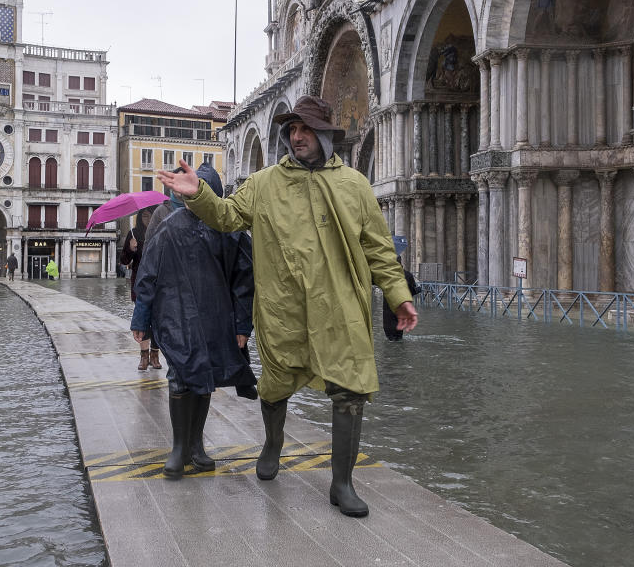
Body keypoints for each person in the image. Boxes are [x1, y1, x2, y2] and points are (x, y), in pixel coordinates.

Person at [158, 95, 418, 517]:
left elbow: (379, 251)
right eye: (291, 129)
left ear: (325, 135)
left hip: (341, 308)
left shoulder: (354, 185)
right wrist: (199, 195)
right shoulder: (264, 184)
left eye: (305, 129)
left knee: (350, 389)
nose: (296, 136)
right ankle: (273, 444)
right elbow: (225, 217)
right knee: (276, 386)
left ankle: (342, 484)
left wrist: (399, 297)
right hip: (283, 309)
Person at [131, 163, 257, 478]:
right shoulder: (168, 227)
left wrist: (243, 326)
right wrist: (141, 319)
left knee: (205, 377)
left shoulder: (232, 231)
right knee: (180, 376)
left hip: (215, 316)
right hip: (175, 316)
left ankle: (196, 445)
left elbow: (245, 281)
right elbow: (148, 274)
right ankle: (179, 448)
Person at [120, 207, 162, 371]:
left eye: (150, 215)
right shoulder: (134, 234)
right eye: (144, 216)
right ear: (139, 218)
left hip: (158, 283)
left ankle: (155, 355)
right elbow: (124, 261)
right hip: (140, 283)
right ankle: (144, 356)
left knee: (157, 321)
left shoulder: (160, 231)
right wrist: (131, 249)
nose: (147, 219)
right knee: (142, 320)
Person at [382, 254, 420, 341]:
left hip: (388, 310)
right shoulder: (408, 275)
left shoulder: (386, 275)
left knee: (390, 337)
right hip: (401, 308)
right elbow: (413, 291)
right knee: (398, 336)